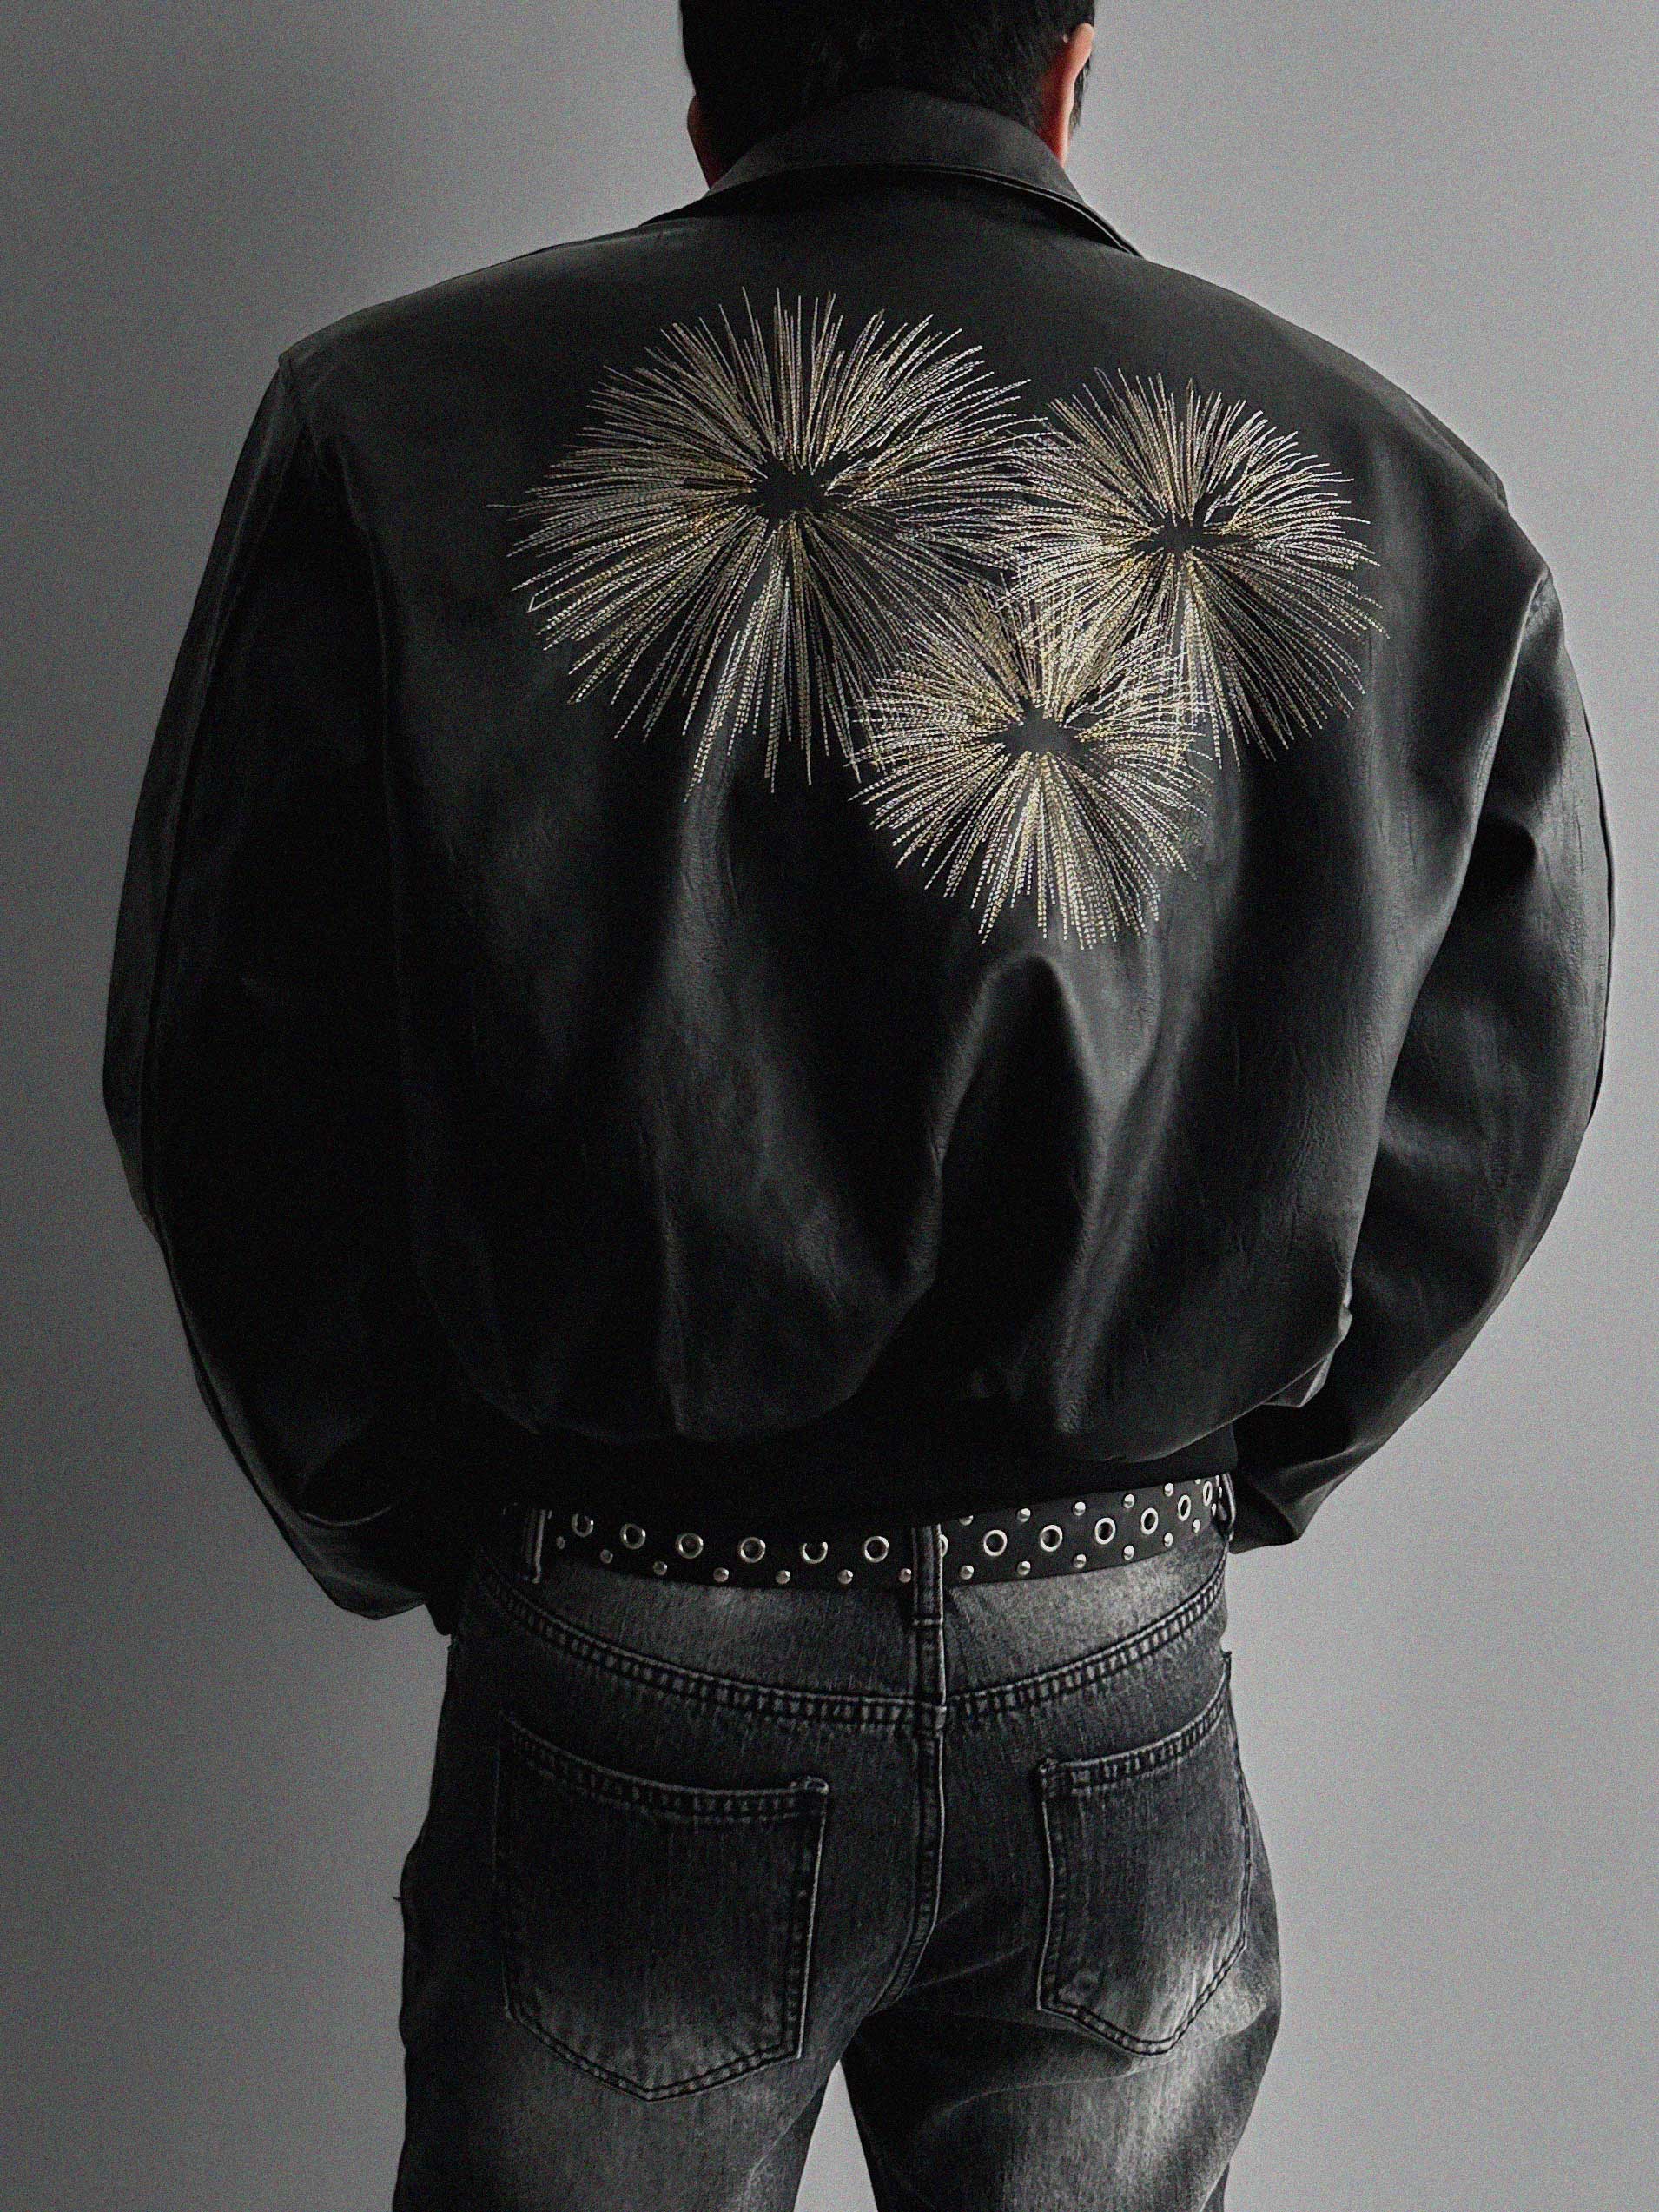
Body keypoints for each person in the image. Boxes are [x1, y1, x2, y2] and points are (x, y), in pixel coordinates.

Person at [101, 4, 1615, 2206]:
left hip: (634, 1616)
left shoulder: (387, 422)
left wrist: (417, 1510)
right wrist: (1215, 1466)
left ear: (707, 86)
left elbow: (226, 1059)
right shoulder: (1401, 485)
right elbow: (1505, 1077)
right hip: (1114, 1627)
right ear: (1071, 71)